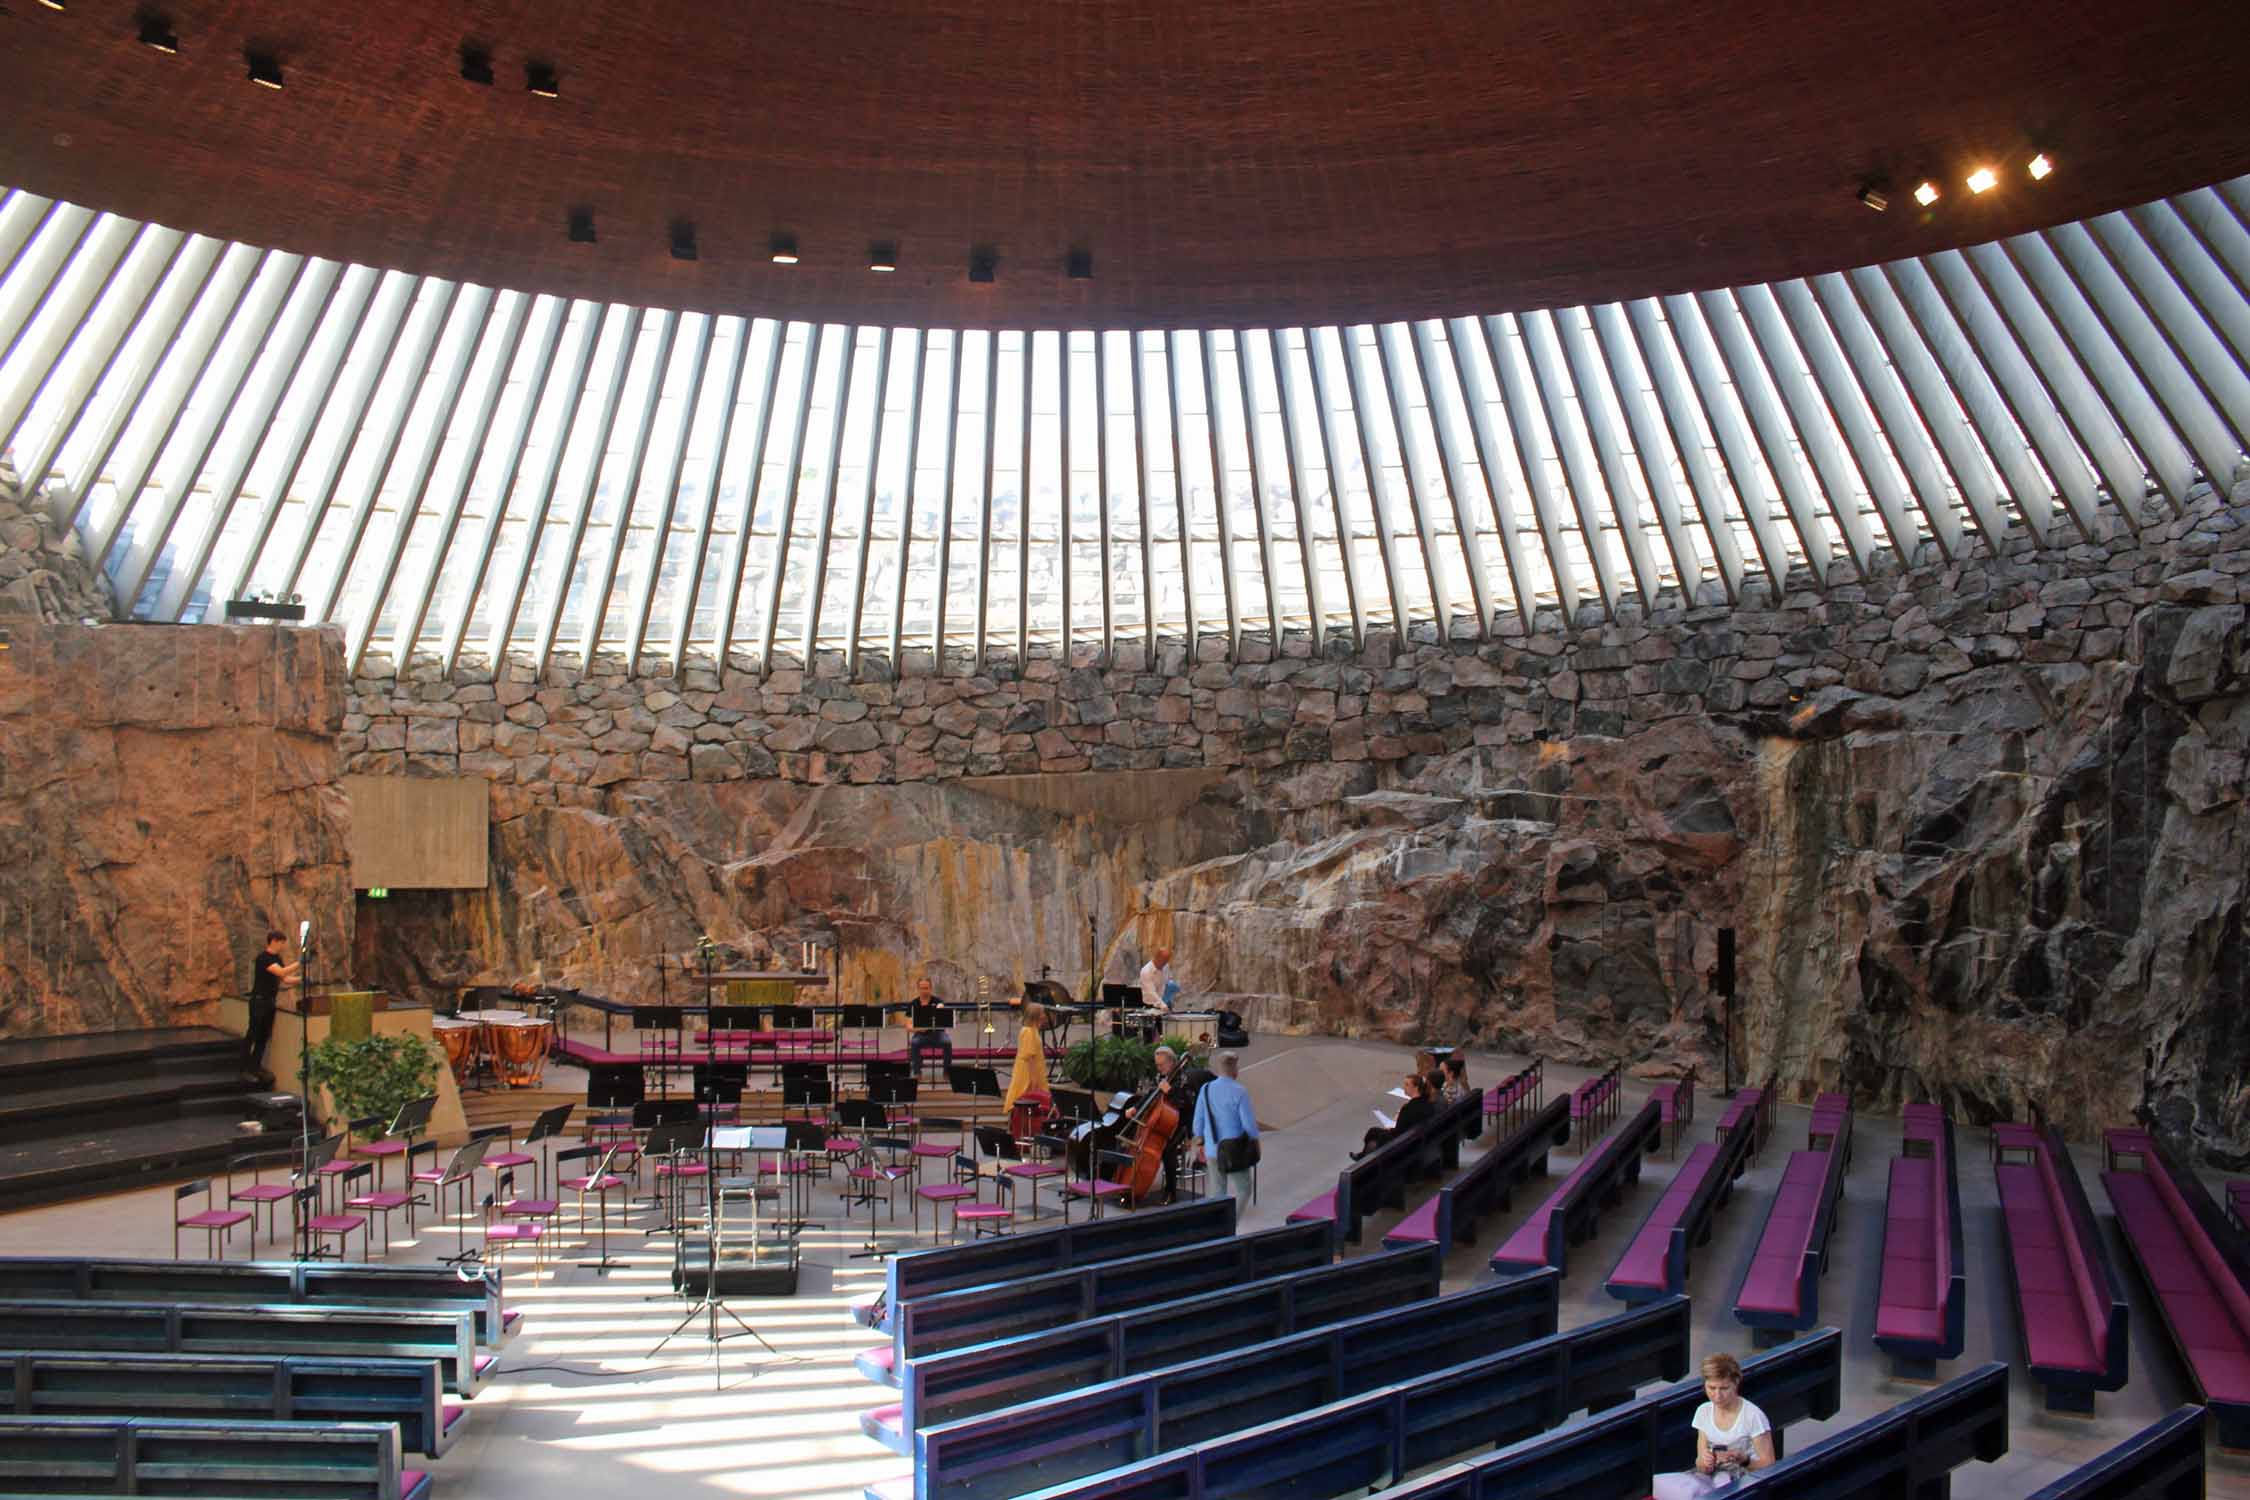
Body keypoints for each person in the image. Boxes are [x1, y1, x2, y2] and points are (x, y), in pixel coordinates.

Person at [1652, 1352, 1774, 1500]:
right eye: (1711, 1388)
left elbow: (1769, 1465)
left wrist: (1744, 1460)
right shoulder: (1703, 1411)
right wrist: (1706, 1462)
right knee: (1659, 1484)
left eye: (1724, 1389)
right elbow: (1700, 1463)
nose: (1717, 1395)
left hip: (1743, 1481)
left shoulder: (1753, 1416)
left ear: (1736, 1384)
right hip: (1713, 1477)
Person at [1193, 1052, 1261, 1202]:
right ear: (1235, 1069)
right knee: (1244, 1189)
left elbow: (1197, 1123)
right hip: (1234, 1150)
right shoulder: (1240, 1091)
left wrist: (1200, 1143)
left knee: (1218, 1194)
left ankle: (1220, 1223)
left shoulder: (1205, 1089)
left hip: (1212, 1149)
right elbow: (1249, 1126)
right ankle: (1233, 1222)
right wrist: (1256, 1142)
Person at [244, 928, 301, 1078]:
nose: (282, 946)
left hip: (270, 1002)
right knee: (253, 1034)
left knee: (264, 1036)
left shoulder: (277, 959)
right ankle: (244, 1066)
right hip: (259, 1001)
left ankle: (256, 1066)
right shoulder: (263, 958)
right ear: (274, 941)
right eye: (281, 943)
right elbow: (281, 972)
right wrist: (300, 962)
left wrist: (303, 979)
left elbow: (285, 979)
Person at [1353, 1071, 1434, 1160]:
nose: (1404, 1087)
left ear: (1416, 1087)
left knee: (1376, 1134)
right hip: (1414, 1137)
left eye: (1407, 1085)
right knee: (1373, 1132)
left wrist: (1390, 1129)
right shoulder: (1426, 1102)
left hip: (1403, 1142)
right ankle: (1362, 1155)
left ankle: (1364, 1159)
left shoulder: (1409, 1108)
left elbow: (1399, 1131)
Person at [1003, 1000, 1051, 1112]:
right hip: (1028, 1073)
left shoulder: (1033, 1030)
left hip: (1036, 1071)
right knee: (1024, 1098)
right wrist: (1033, 1081)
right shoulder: (1028, 1031)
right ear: (1036, 1015)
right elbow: (1029, 1057)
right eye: (1042, 1013)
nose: (1044, 1016)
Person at [907, 975, 954, 1075]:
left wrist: (940, 1007)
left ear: (930, 988)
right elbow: (908, 1026)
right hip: (920, 1034)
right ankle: (917, 1072)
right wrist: (919, 1029)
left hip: (938, 1034)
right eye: (922, 988)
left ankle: (947, 1072)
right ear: (918, 989)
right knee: (914, 1043)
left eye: (926, 988)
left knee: (947, 1042)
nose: (924, 991)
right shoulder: (913, 1004)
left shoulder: (937, 1001)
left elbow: (941, 1007)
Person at [1138, 947, 1179, 1012]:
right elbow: (1151, 992)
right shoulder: (1146, 971)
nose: (1165, 963)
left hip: (1163, 1001)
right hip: (1151, 1005)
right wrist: (1162, 1004)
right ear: (1157, 957)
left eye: (1167, 960)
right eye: (1164, 960)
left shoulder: (1165, 966)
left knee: (1173, 985)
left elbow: (1168, 980)